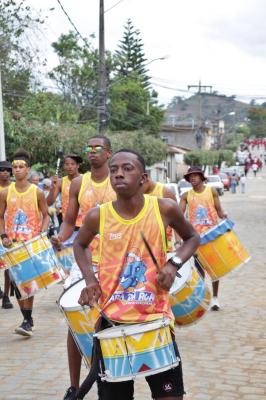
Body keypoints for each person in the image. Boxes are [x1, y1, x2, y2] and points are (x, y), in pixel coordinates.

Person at [73, 149, 199, 400]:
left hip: (155, 318)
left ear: (143, 178)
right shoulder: (98, 215)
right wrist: (90, 279)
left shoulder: (164, 208)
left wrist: (173, 264)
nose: (119, 173)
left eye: (127, 168)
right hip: (112, 321)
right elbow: (80, 244)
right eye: (114, 170)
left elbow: (192, 237)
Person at [52, 136, 116, 400]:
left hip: (115, 261)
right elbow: (69, 221)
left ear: (109, 152)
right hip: (84, 260)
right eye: (87, 147)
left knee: (113, 320)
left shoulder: (119, 179)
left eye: (96, 148)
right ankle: (75, 386)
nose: (91, 151)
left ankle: (113, 379)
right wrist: (60, 236)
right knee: (74, 318)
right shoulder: (79, 183)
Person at [0, 150, 50, 336]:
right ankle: (27, 319)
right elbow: (0, 217)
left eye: (21, 166)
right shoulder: (5, 192)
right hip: (12, 245)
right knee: (15, 283)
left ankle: (27, 320)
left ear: (28, 169)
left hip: (31, 243)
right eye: (15, 167)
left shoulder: (37, 192)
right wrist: (3, 235)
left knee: (28, 283)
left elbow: (46, 215)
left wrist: (43, 232)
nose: (17, 169)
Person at [179, 166, 227, 311]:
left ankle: (215, 298)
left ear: (201, 177)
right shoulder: (186, 195)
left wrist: (224, 217)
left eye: (195, 175)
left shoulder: (211, 191)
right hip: (196, 238)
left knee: (214, 270)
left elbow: (219, 211)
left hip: (212, 235)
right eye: (190, 176)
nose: (193, 178)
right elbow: (179, 216)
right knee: (199, 270)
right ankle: (202, 297)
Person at [142, 177, 180, 252]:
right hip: (144, 247)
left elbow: (177, 219)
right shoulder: (136, 193)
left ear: (145, 178)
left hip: (164, 247)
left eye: (139, 185)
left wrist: (178, 242)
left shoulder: (164, 192)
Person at [0, 161, 13, 309]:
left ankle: (6, 297)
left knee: (8, 266)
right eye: (1, 170)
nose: (4, 172)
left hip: (9, 231)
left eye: (7, 170)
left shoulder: (15, 189)